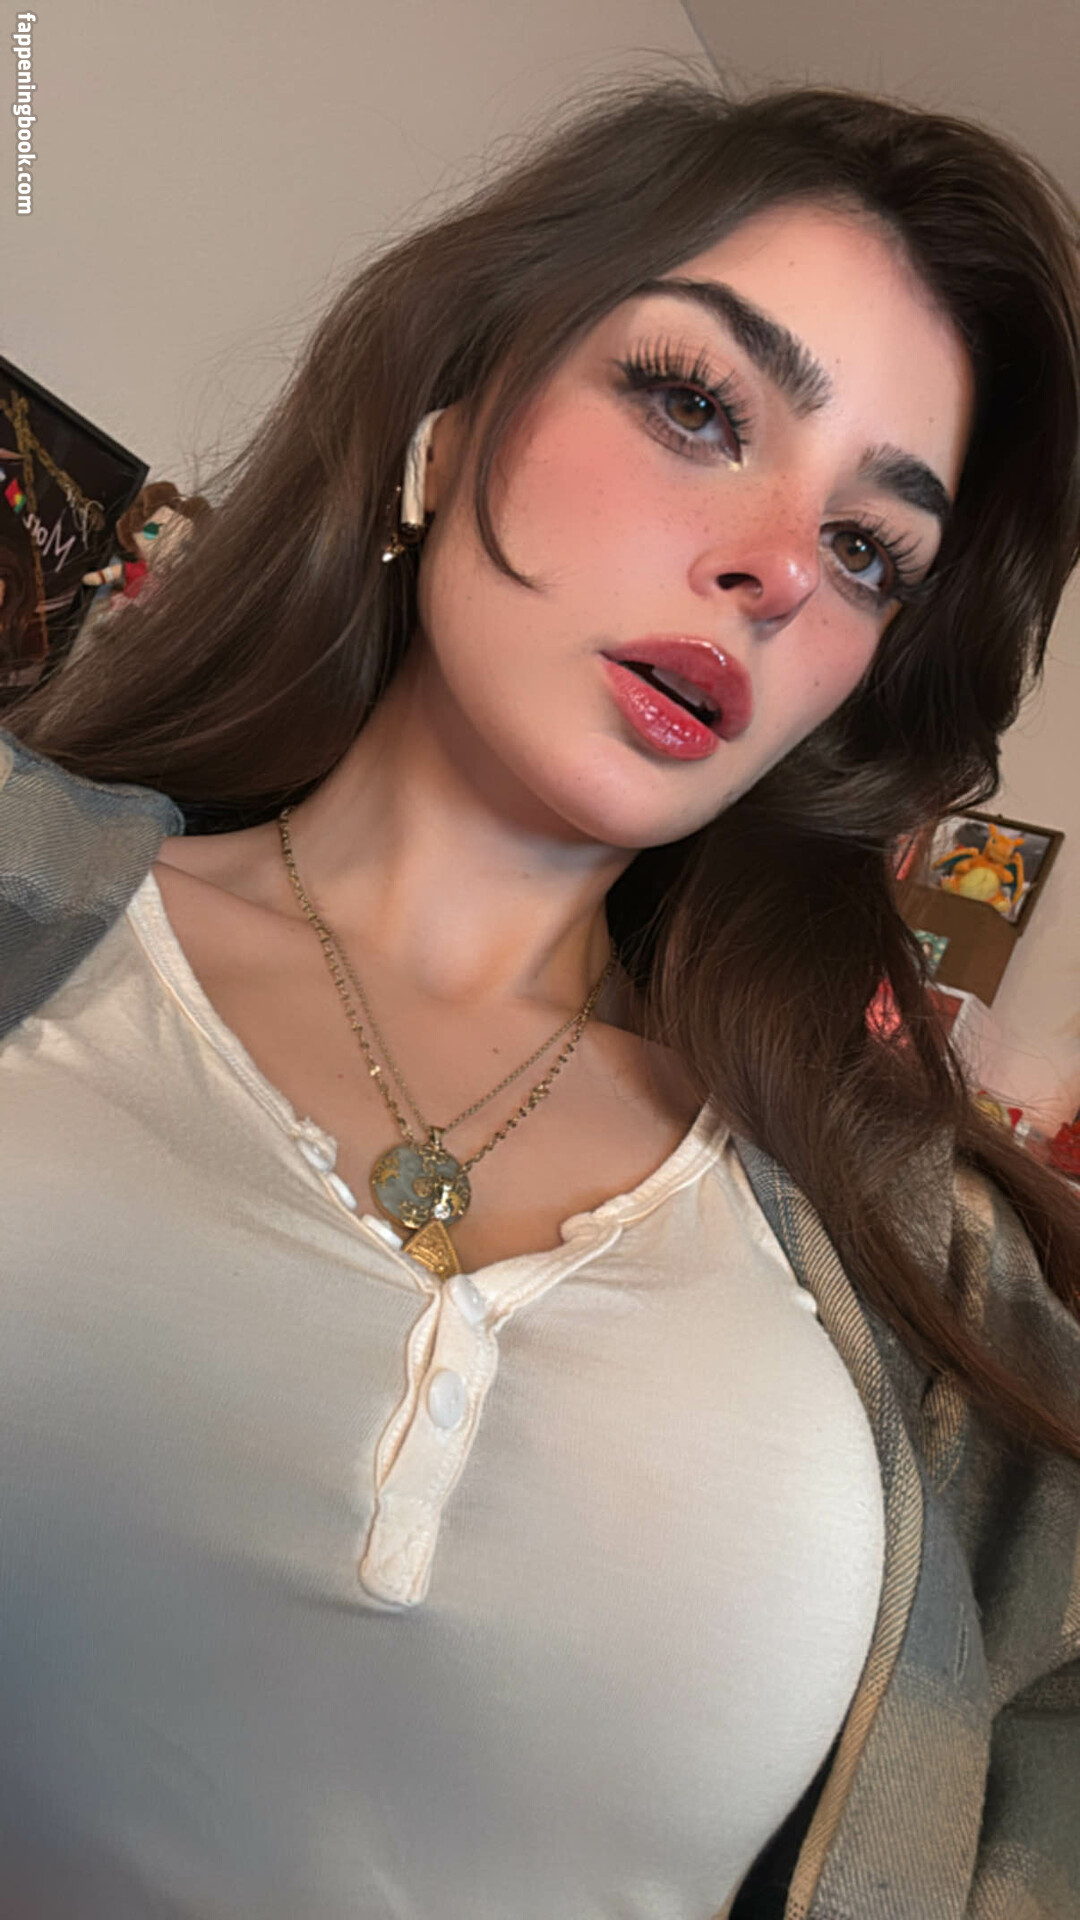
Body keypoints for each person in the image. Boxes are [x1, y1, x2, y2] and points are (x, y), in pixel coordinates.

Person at [0, 72, 1078, 1920]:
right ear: (450, 416)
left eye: (867, 551)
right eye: (695, 405)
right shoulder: (35, 913)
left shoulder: (918, 1270)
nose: (772, 571)